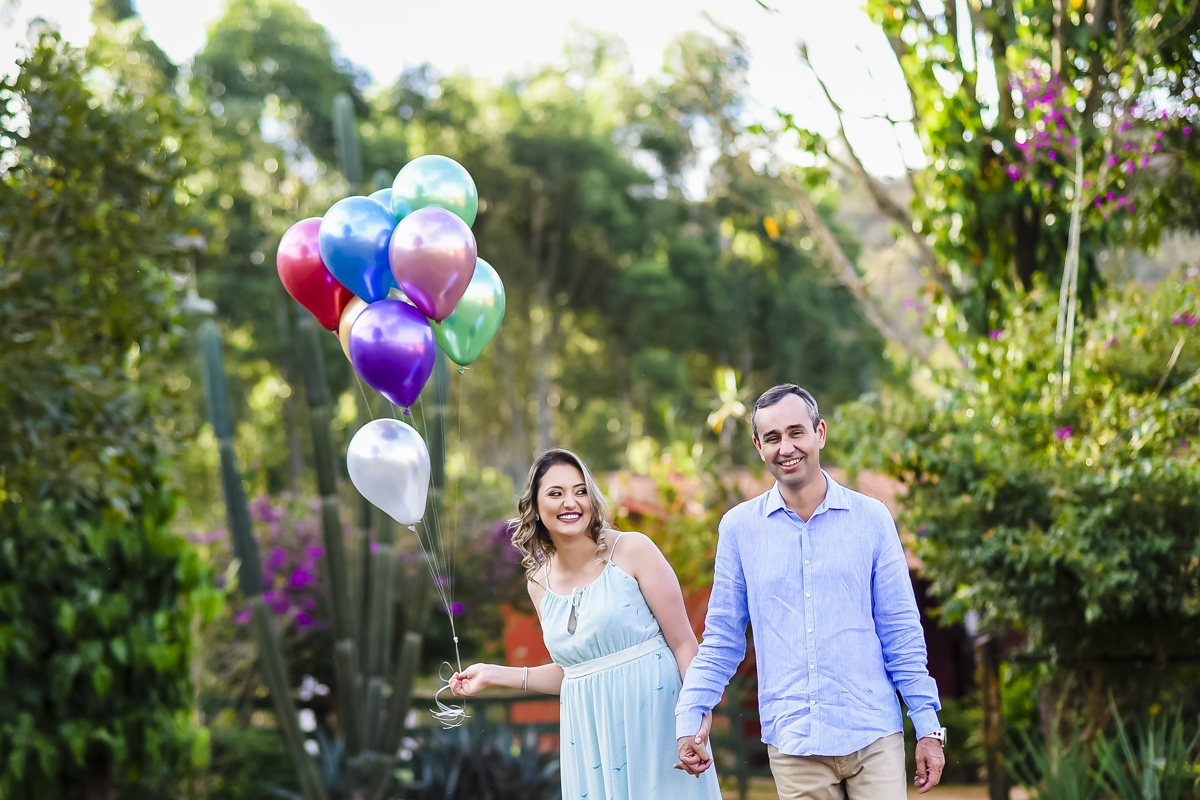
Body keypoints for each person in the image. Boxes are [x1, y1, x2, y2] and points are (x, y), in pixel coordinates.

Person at [675, 384, 947, 799]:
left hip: (873, 733)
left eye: (796, 432)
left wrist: (928, 727)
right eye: (772, 438)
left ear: (819, 433)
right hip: (793, 741)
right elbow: (721, 640)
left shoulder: (872, 519)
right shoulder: (738, 529)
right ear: (757, 446)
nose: (786, 447)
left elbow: (902, 634)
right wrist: (690, 716)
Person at [450, 448, 721, 800]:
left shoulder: (633, 550)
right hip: (591, 738)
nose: (570, 502)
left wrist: (695, 716)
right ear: (535, 506)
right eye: (556, 493)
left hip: (658, 726)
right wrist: (491, 673)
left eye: (580, 491)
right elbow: (576, 672)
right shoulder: (538, 583)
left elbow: (684, 643)